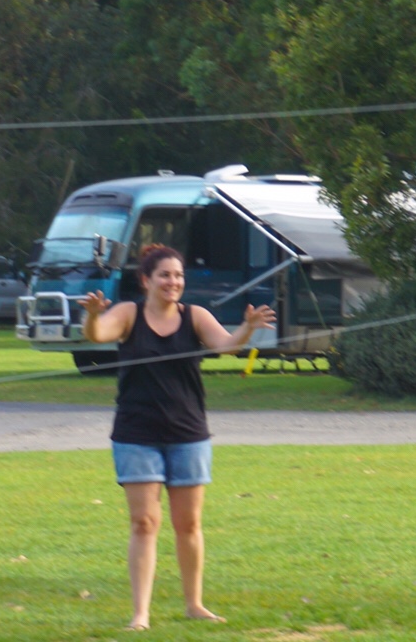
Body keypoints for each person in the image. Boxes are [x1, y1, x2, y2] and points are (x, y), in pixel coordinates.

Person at [79, 243, 276, 631]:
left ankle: (194, 604)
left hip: (188, 434)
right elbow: (98, 334)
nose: (173, 282)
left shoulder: (195, 316)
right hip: (137, 434)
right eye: (165, 275)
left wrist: (247, 329)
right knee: (144, 523)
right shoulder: (128, 314)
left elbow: (226, 345)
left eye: (178, 275)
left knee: (188, 524)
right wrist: (92, 316)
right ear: (146, 280)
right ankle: (140, 614)